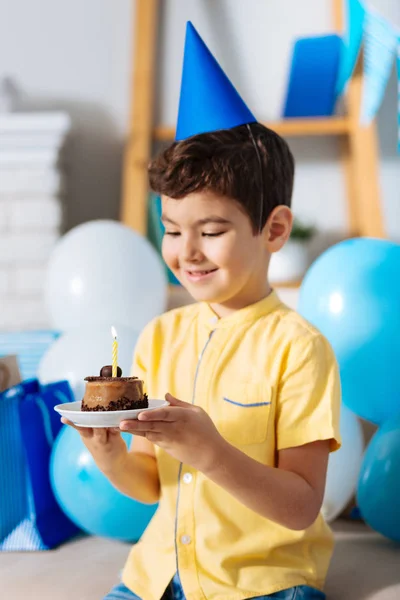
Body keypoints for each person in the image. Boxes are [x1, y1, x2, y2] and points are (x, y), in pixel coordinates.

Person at [63, 22, 341, 600]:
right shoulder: (161, 336)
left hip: (263, 583)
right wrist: (109, 454)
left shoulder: (299, 348)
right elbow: (148, 484)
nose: (185, 252)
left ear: (274, 229)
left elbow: (299, 506)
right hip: (157, 578)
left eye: (211, 231)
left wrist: (210, 451)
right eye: (170, 230)